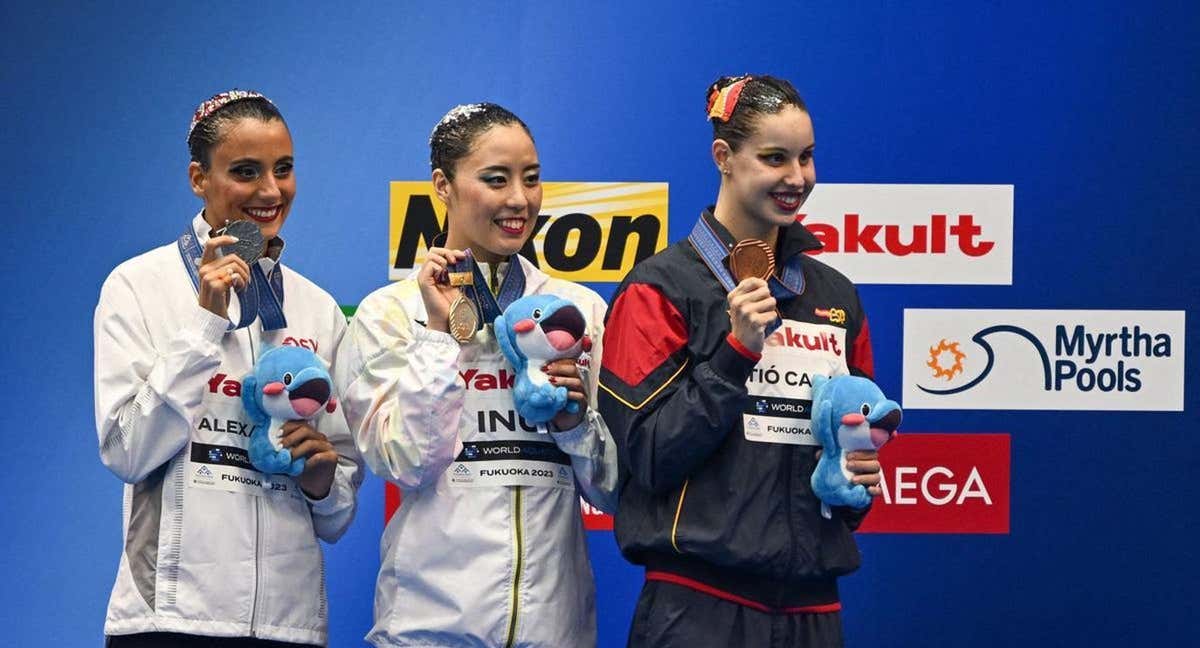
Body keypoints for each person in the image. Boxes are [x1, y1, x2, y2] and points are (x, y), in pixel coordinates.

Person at [597, 75, 883, 647]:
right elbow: (647, 458)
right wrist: (735, 354)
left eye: (806, 158)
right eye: (774, 158)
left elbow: (852, 438)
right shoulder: (659, 289)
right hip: (699, 607)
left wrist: (858, 473)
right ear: (723, 157)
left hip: (814, 606)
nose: (797, 178)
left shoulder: (835, 295)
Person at [335, 103, 618, 648]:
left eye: (531, 179)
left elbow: (613, 493)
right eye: (496, 179)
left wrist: (576, 423)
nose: (519, 199)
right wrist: (439, 338)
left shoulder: (577, 311)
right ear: (443, 184)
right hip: (427, 630)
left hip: (554, 631)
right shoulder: (388, 312)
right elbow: (405, 462)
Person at [94, 90, 362, 647]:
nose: (270, 191)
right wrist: (204, 323)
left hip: (289, 625)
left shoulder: (318, 309)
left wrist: (321, 481)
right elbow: (127, 450)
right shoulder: (138, 286)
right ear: (199, 177)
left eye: (283, 169)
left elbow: (337, 513)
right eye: (246, 171)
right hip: (170, 620)